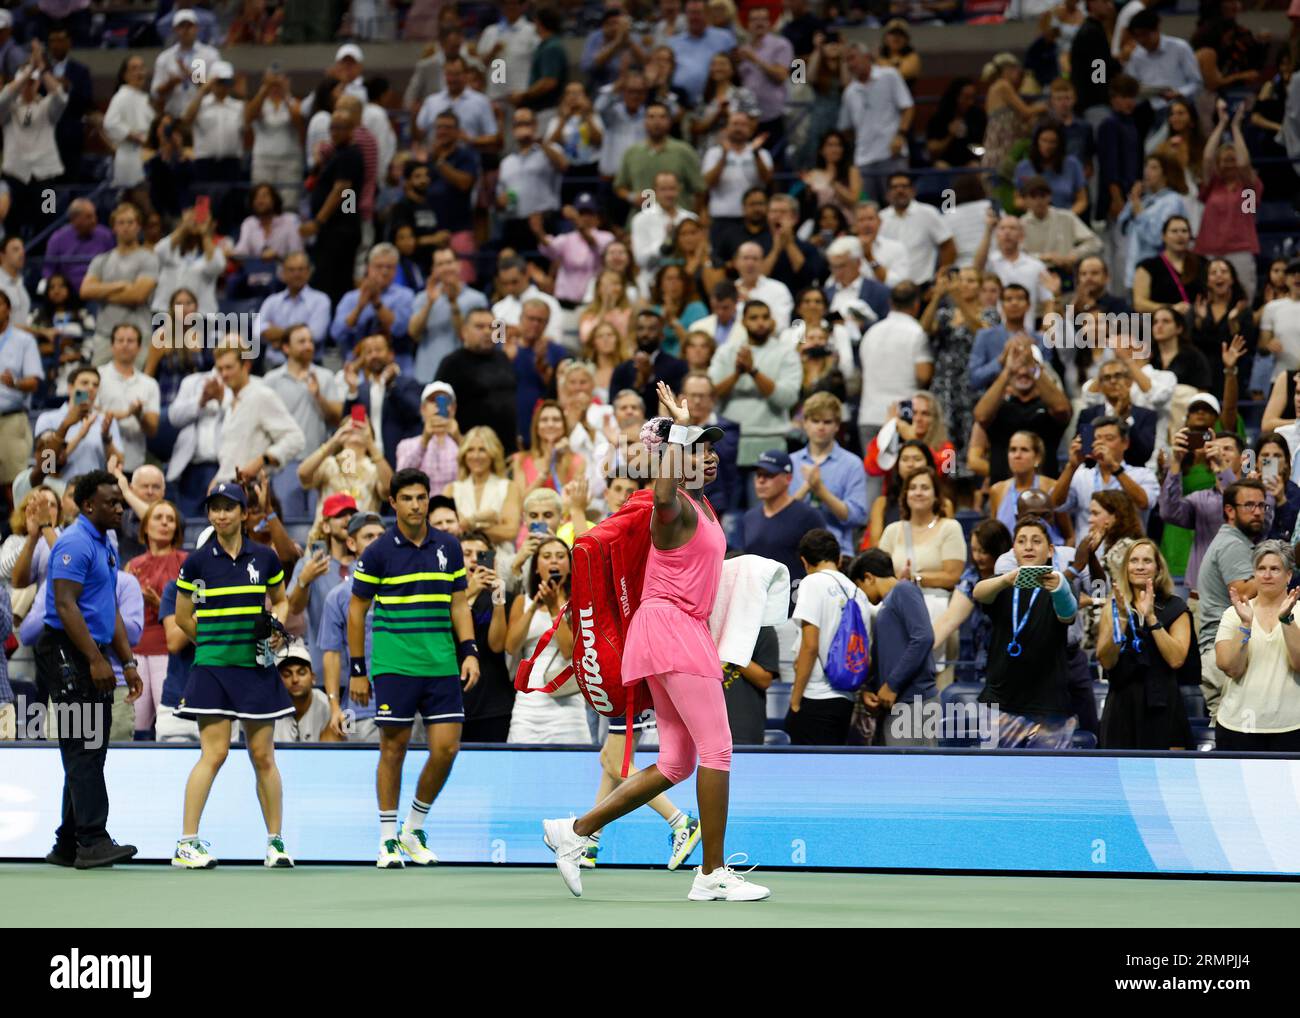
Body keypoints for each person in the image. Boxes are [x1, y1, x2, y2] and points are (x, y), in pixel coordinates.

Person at [543, 390, 767, 901]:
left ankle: (574, 831)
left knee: (677, 762)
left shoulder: (703, 505)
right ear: (677, 459)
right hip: (672, 631)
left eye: (712, 450)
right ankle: (711, 874)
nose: (709, 456)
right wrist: (678, 431)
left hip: (671, 631)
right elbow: (662, 493)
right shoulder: (672, 508)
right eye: (698, 450)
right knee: (718, 750)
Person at [348, 468, 480, 868]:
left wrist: (469, 650)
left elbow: (459, 603)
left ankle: (412, 828)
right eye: (407, 498)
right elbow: (357, 611)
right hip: (394, 664)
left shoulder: (449, 547)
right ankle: (387, 837)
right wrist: (358, 668)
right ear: (393, 503)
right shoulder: (378, 552)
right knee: (394, 748)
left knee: (447, 749)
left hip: (441, 662)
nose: (416, 505)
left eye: (421, 497)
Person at [169, 482, 292, 869]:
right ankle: (187, 844)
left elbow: (283, 601)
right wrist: (211, 643)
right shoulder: (196, 562)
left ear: (244, 513)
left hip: (256, 668)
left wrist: (276, 629)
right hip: (213, 670)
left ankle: (275, 843)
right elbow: (183, 617)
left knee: (263, 756)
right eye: (215, 508)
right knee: (215, 753)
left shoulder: (266, 558)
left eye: (229, 508)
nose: (221, 515)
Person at [36, 471, 141, 869]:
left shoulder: (106, 544)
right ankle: (92, 840)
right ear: (87, 506)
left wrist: (126, 661)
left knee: (88, 747)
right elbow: (65, 605)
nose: (119, 508)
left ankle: (67, 843)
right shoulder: (74, 543)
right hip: (66, 652)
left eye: (120, 502)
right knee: (84, 746)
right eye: (111, 502)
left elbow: (108, 606)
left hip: (90, 652)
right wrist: (96, 660)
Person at [972, 516, 1080, 748]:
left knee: (1049, 780)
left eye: (1036, 541)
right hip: (1000, 702)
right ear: (1014, 550)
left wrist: (1060, 589)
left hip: (1049, 707)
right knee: (997, 779)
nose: (1028, 546)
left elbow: (1068, 614)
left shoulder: (1062, 585)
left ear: (1050, 550)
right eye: (1021, 541)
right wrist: (1006, 579)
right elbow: (979, 593)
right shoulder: (1003, 584)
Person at [1097, 538, 1194, 749]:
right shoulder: (1114, 606)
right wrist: (1122, 620)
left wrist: (1151, 618)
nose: (1140, 566)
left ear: (1158, 568)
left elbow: (1176, 659)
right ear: (1126, 568)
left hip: (1163, 705)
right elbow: (1106, 660)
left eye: (1147, 561)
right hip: (1122, 707)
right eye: (1134, 561)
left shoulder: (1175, 606)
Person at [788, 528, 873, 746]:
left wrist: (795, 701)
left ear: (805, 561)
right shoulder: (858, 592)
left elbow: (810, 646)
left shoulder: (812, 583)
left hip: (815, 697)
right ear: (838, 558)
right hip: (845, 699)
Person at [1214, 540, 1300, 751]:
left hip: (1292, 727)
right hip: (1238, 727)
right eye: (1261, 569)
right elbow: (1231, 667)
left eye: (1274, 569)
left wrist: (1287, 620)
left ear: (1288, 575)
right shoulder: (1234, 613)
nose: (1267, 575)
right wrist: (1245, 624)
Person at [851, 548, 938, 746]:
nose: (862, 596)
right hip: (898, 703)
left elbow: (924, 638)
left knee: (914, 773)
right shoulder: (887, 605)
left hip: (914, 703)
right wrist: (871, 687)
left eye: (859, 587)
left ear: (868, 577)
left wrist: (892, 685)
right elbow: (885, 653)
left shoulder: (903, 590)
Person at [1197, 479, 1265, 721]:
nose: (1257, 512)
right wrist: (1280, 570)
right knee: (1231, 732)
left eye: (1261, 505)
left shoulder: (1235, 541)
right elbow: (1243, 593)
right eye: (1249, 505)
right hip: (1225, 648)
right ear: (1229, 510)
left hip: (1223, 648)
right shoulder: (1232, 544)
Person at [708, 299, 801, 475]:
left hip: (770, 441)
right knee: (725, 503)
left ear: (772, 321)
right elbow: (711, 395)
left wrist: (753, 371)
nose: (760, 322)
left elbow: (787, 399)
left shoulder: (786, 353)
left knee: (764, 502)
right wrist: (736, 374)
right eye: (754, 318)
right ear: (743, 322)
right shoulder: (726, 351)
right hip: (728, 442)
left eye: (765, 317)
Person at [124, 499, 185, 739]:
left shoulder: (186, 562)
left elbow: (194, 611)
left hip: (168, 649)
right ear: (146, 526)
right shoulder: (133, 565)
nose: (165, 523)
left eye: (170, 519)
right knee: (136, 724)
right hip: (137, 650)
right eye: (158, 517)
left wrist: (161, 605)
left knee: (167, 722)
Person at [790, 392, 868, 558]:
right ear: (805, 423)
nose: (821, 427)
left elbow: (857, 517)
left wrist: (821, 491)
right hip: (794, 550)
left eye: (827, 422)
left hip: (837, 553)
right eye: (815, 421)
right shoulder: (791, 462)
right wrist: (806, 488)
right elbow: (781, 515)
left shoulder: (852, 464)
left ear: (837, 425)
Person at [80, 203, 158, 367]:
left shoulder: (149, 258)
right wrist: (119, 285)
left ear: (138, 226)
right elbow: (85, 291)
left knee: (134, 387)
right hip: (104, 335)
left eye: (130, 222)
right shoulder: (101, 260)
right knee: (94, 383)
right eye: (121, 223)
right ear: (114, 227)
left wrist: (101, 291)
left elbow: (138, 296)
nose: (126, 227)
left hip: (137, 336)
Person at [740, 449, 827, 586]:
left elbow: (823, 565)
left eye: (769, 475)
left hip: (794, 600)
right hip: (757, 599)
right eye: (758, 475)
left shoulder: (808, 516)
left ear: (788, 478)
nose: (761, 480)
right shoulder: (749, 518)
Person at [0, 288, 42, 493]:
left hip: (11, 418)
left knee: (14, 487)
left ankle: (21, 526)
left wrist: (14, 383)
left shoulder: (24, 340)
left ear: (8, 309)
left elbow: (34, 382)